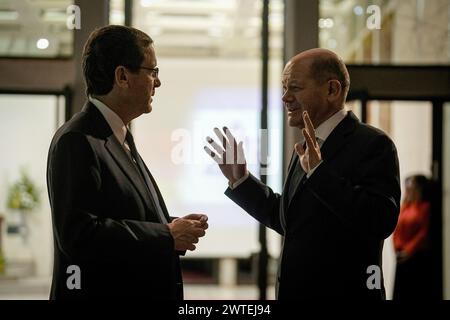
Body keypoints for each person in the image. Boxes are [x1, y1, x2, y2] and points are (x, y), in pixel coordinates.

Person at [205, 48, 401, 299]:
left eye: (295, 88)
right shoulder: (308, 145)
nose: (285, 98)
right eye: (284, 88)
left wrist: (319, 174)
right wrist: (241, 181)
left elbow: (379, 220)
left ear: (332, 90)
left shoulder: (373, 143)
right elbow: (288, 220)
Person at [47, 25, 208, 299]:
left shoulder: (115, 135)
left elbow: (120, 215)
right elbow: (79, 235)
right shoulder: (78, 139)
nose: (157, 82)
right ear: (122, 76)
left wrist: (171, 226)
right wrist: (165, 234)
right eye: (152, 71)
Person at [393, 175, 432, 300]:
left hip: (415, 257)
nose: (408, 188)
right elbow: (397, 230)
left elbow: (423, 232)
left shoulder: (424, 207)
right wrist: (397, 248)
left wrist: (408, 251)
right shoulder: (405, 206)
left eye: (412, 185)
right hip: (401, 257)